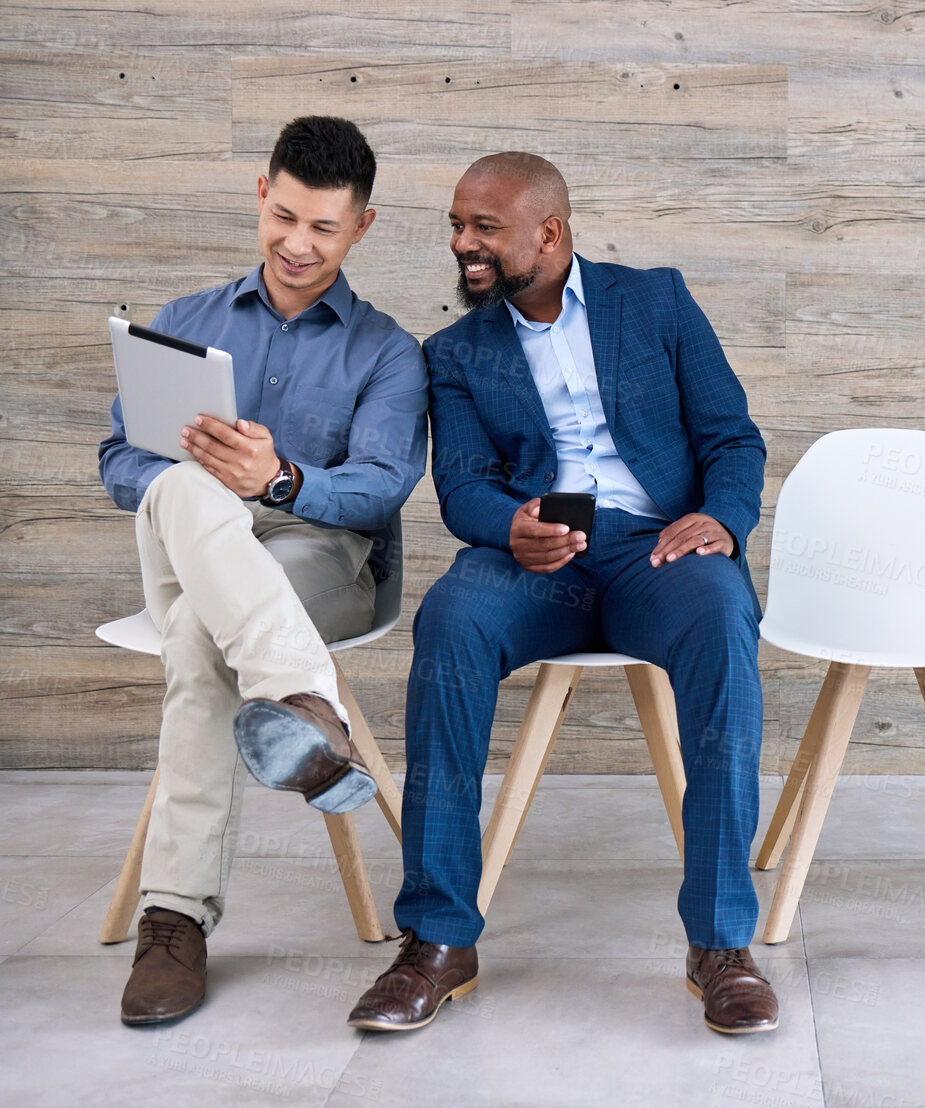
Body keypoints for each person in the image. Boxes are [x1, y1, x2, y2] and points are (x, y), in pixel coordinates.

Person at [345, 153, 776, 1036]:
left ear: (549, 232)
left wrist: (722, 523)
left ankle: (721, 944)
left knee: (724, 619)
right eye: (457, 227)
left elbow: (732, 437)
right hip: (535, 561)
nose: (463, 245)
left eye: (483, 229)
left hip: (658, 551)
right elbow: (461, 485)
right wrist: (510, 528)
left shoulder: (655, 301)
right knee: (451, 619)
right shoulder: (456, 351)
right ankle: (437, 939)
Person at [97, 116, 429, 1025]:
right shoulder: (184, 322)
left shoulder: (389, 352)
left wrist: (277, 477)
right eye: (283, 216)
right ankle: (304, 703)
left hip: (318, 556)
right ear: (260, 194)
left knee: (202, 644)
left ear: (360, 227)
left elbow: (379, 490)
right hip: (189, 545)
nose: (296, 243)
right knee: (182, 490)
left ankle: (174, 919)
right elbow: (117, 460)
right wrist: (198, 478)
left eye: (323, 227)